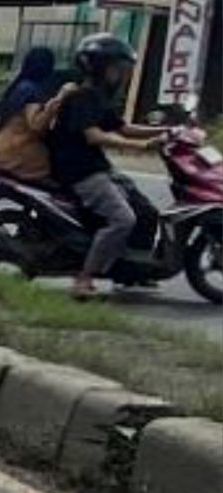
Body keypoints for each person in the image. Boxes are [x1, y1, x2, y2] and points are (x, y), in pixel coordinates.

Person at [48, 33, 167, 300]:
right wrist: (143, 147)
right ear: (100, 67)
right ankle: (84, 278)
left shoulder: (98, 97)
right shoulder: (81, 97)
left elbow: (123, 128)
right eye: (117, 68)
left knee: (146, 211)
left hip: (98, 167)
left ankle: (133, 271)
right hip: (80, 171)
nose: (121, 75)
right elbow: (95, 136)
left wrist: (168, 131)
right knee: (122, 219)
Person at [0, 46, 67, 184]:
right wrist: (60, 97)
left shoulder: (19, 86)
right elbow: (36, 124)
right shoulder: (32, 91)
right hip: (21, 160)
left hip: (4, 155)